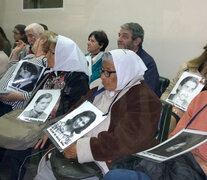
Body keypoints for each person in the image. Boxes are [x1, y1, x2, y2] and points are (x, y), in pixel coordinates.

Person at [34, 49, 162, 180]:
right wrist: (56, 130)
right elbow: (75, 111)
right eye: (102, 71)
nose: (102, 77)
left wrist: (80, 149)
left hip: (105, 161)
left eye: (108, 72)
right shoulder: (99, 90)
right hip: (75, 150)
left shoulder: (145, 100)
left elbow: (126, 141)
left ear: (125, 72)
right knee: (46, 171)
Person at [0, 34, 89, 180]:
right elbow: (33, 100)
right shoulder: (51, 73)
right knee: (7, 143)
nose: (47, 56)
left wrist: (51, 130)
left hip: (52, 128)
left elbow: (74, 112)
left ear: (63, 55)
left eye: (51, 53)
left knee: (15, 154)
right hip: (33, 121)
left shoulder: (77, 80)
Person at [102, 91, 207, 180]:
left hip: (195, 171)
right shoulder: (202, 98)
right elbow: (175, 137)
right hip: (178, 162)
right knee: (115, 175)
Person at [0, 30, 51, 117]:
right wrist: (16, 52)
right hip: (3, 100)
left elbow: (43, 88)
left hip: (11, 104)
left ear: (42, 42)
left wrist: (19, 97)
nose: (32, 42)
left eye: (37, 39)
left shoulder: (45, 62)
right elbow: (12, 69)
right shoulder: (30, 56)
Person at [161, 44, 207, 133]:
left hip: (195, 120)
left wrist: (186, 116)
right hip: (171, 109)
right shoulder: (187, 68)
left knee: (169, 121)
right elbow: (168, 92)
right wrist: (166, 107)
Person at [118, 22, 161, 97]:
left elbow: (145, 94)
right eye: (119, 35)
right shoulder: (117, 57)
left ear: (136, 41)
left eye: (124, 37)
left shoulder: (147, 62)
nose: (119, 39)